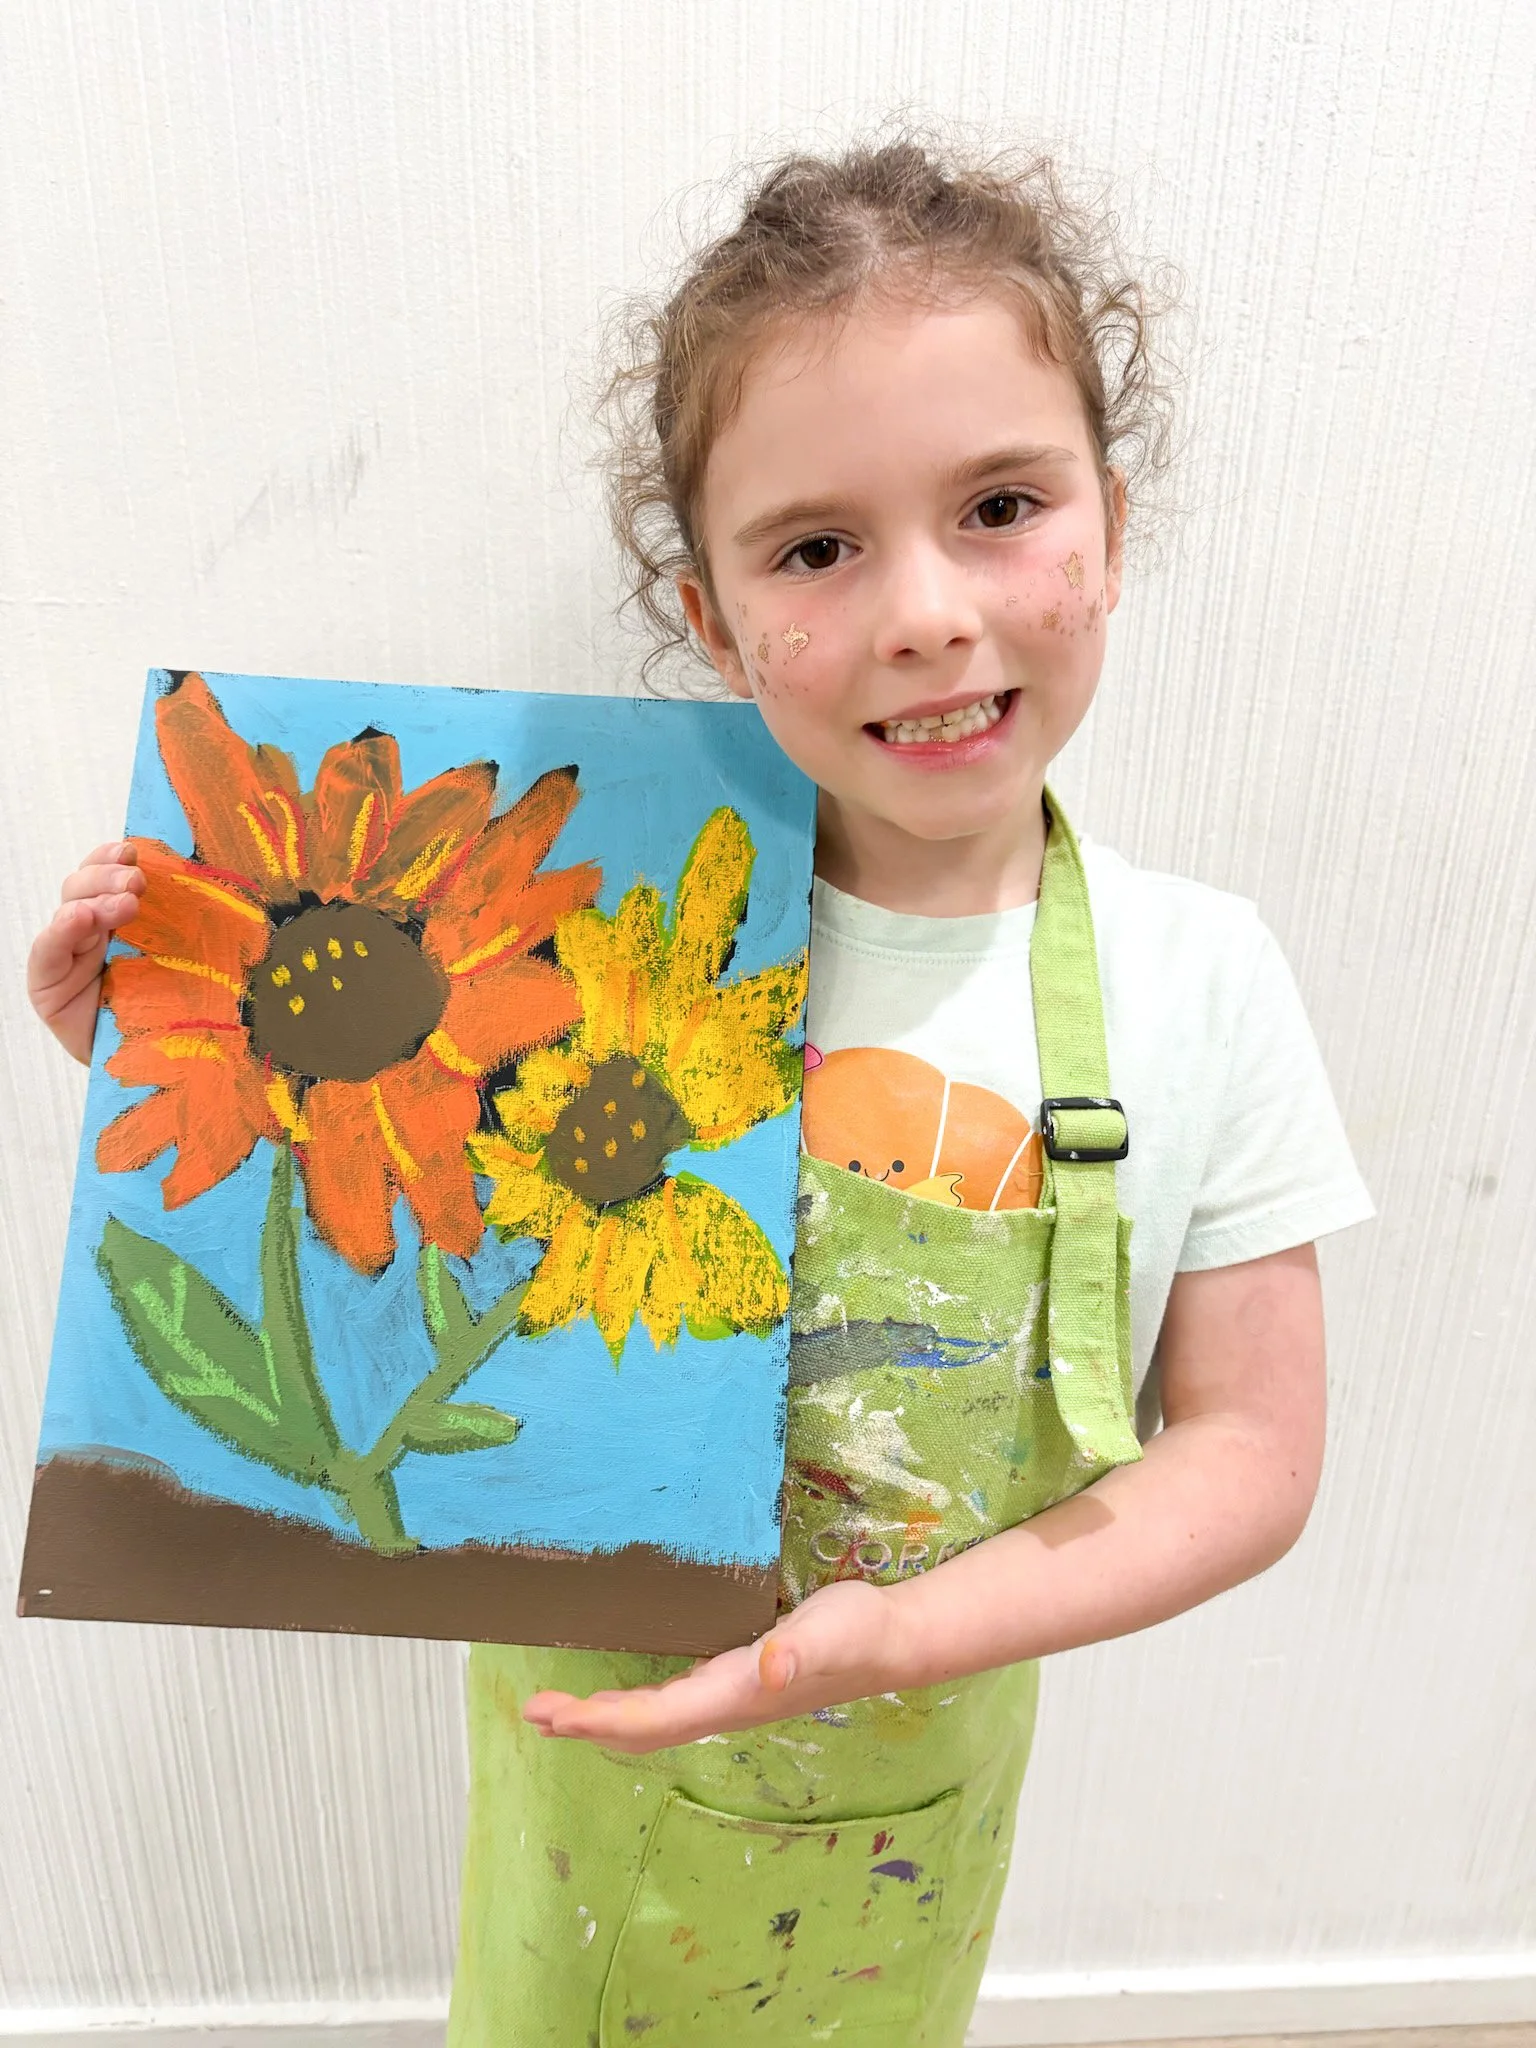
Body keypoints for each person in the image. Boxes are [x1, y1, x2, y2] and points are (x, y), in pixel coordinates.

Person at [27, 135, 1374, 2046]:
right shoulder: (580, 951)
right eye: (818, 547)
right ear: (715, 617)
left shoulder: (1205, 980)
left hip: (911, 1801)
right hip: (577, 1784)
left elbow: (1252, 1451)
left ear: (1114, 525)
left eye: (999, 504)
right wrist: (165, 1047)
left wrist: (899, 1633)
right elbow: (391, 1205)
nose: (924, 610)